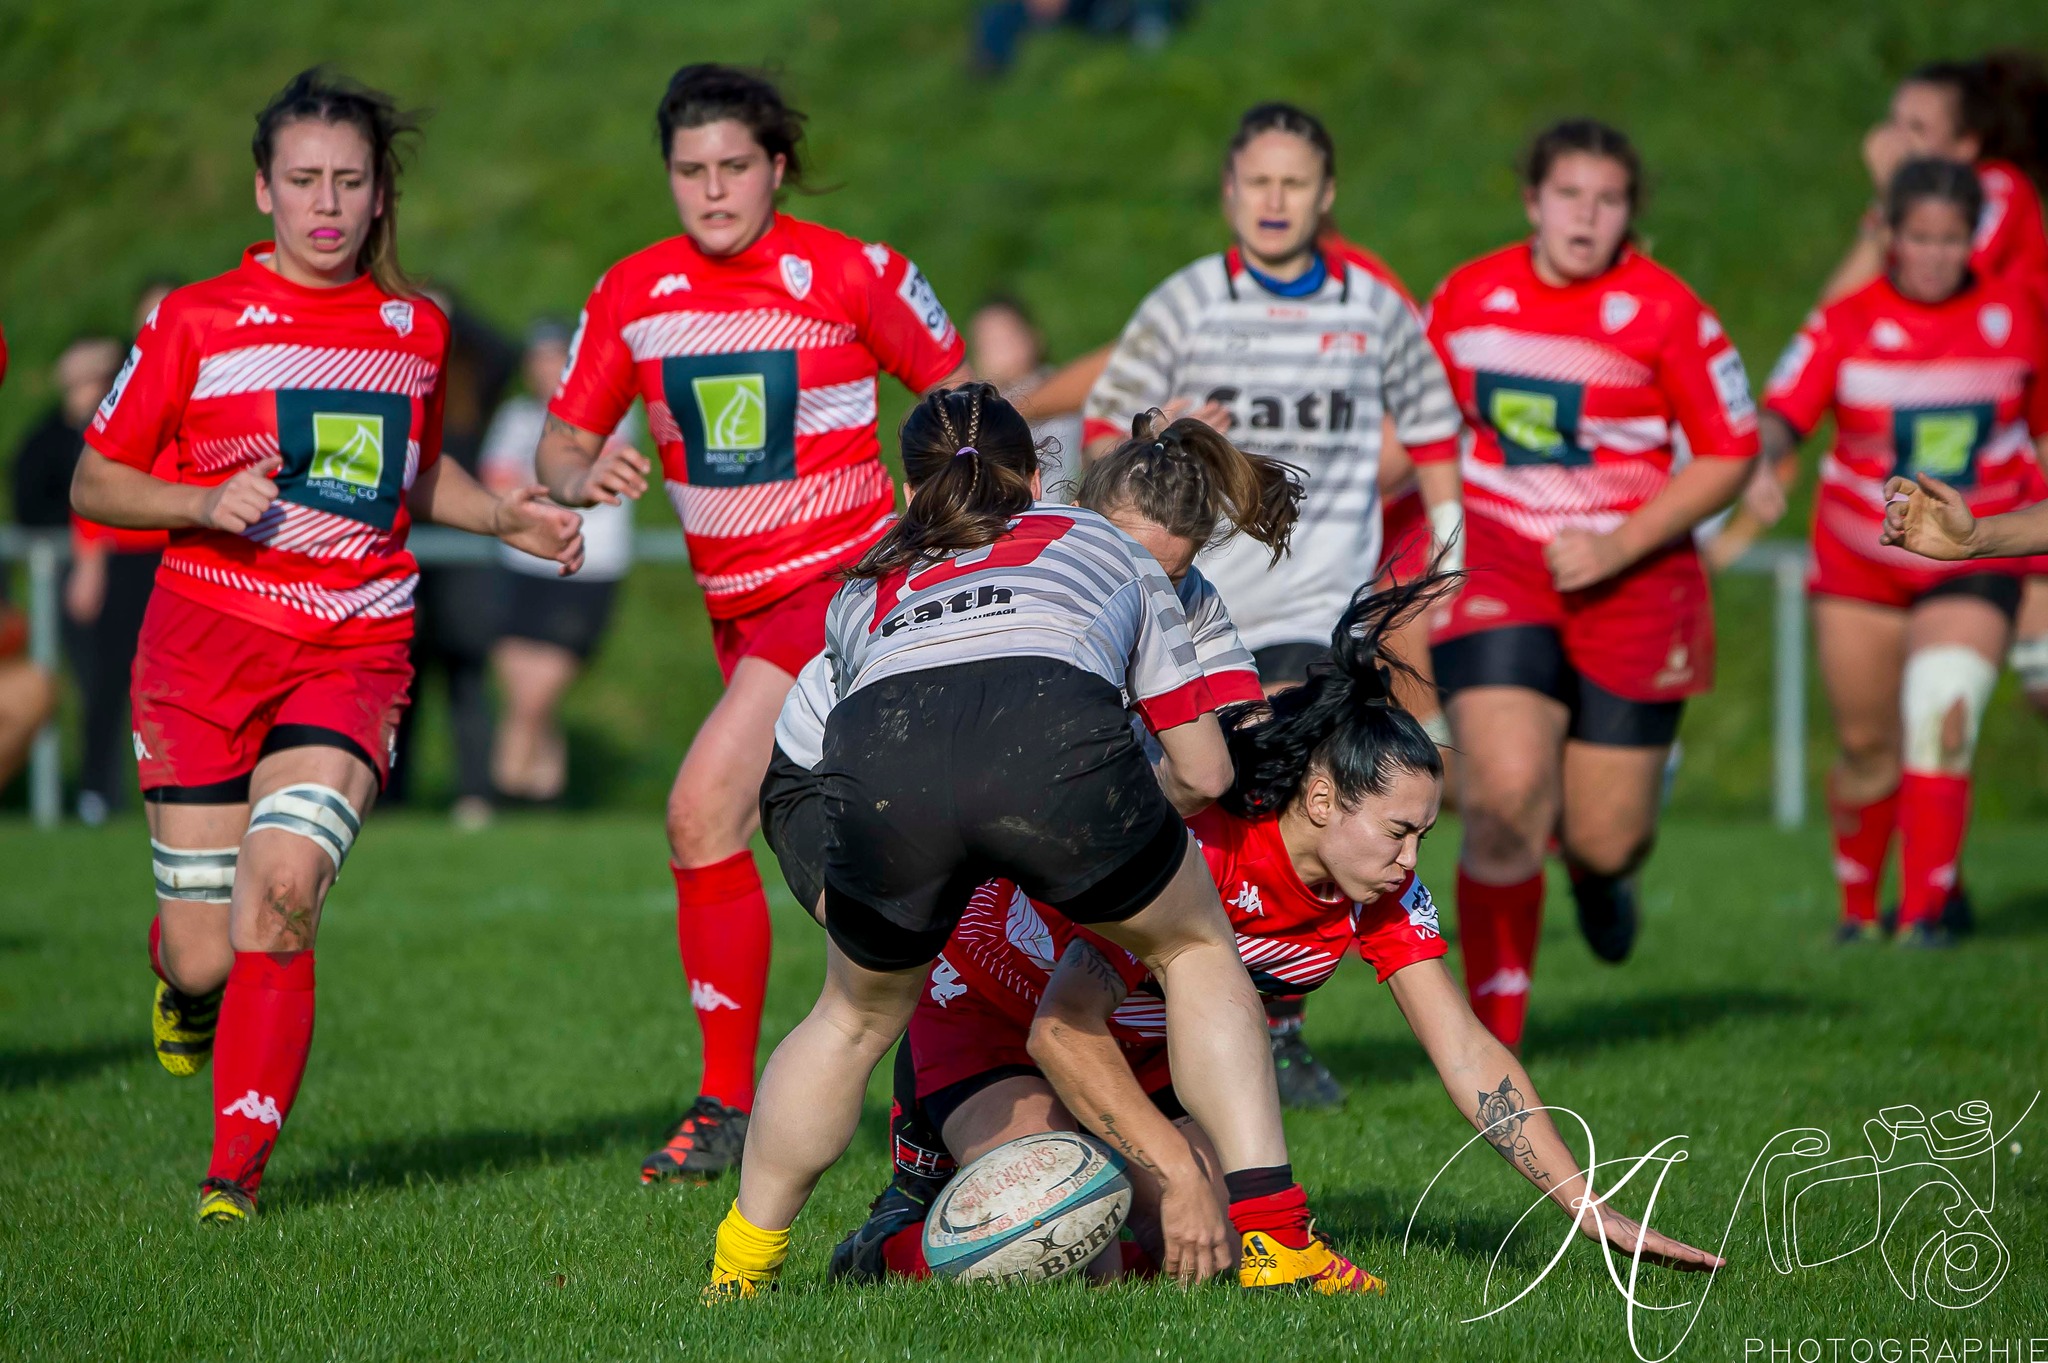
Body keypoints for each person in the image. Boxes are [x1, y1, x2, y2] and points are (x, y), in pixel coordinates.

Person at [853, 578, 1726, 1285]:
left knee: (1201, 1251)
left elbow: (1464, 1049)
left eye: (1423, 832)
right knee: (1066, 1231)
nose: (1411, 858)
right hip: (998, 1022)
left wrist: (1583, 1201)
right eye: (1398, 831)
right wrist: (1182, 1171)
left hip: (1144, 1061)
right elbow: (1063, 1027)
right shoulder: (1200, 852)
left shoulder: (1373, 887)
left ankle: (1046, 1184)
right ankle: (891, 1237)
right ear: (1320, 800)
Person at [68, 68, 582, 1224]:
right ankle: (185, 985)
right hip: (201, 650)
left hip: (352, 648)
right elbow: (96, 476)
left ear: (380, 195)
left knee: (285, 886)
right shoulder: (195, 319)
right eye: (303, 180)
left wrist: (504, 514)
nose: (327, 204)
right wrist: (201, 503)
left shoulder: (416, 327)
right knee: (205, 953)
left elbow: (411, 471)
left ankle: (231, 1181)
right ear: (263, 189)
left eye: (350, 182)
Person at [706, 384, 1300, 1298]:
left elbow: (807, 770)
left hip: (874, 773)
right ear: (1038, 478)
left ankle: (738, 1270)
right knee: (1192, 945)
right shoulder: (1101, 541)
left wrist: (857, 904)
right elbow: (1209, 774)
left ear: (911, 493)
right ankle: (1278, 1241)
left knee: (850, 1017)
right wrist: (1116, 835)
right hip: (1048, 753)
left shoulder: (867, 581)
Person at [537, 64, 969, 1183]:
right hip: (734, 611)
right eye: (690, 171)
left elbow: (958, 404)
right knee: (862, 840)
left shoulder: (849, 272)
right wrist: (582, 469)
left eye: (735, 167)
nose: (713, 190)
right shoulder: (632, 292)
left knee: (699, 810)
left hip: (846, 590)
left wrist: (945, 527)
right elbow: (558, 443)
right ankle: (943, 1066)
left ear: (777, 167)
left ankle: (729, 1104)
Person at [1424, 119, 1760, 1049]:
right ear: (1534, 201)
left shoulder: (1666, 311)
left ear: (1630, 214)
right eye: (1570, 195)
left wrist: (1618, 545)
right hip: (1498, 557)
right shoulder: (1468, 294)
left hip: (1636, 575)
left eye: (1608, 200)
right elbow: (1415, 426)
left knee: (1608, 834)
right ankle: (1495, 1049)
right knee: (1502, 795)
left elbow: (1731, 452)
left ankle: (1600, 872)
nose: (1588, 215)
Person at [1758, 161, 2048, 947]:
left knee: (1940, 712)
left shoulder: (2020, 315)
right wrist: (1762, 468)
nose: (1932, 254)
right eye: (1917, 236)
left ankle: (1925, 920)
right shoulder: (1845, 322)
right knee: (1866, 747)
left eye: (1950, 239)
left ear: (1973, 239)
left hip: (1977, 553)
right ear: (1888, 233)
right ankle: (1859, 911)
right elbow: (1782, 414)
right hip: (1860, 560)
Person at [1084, 102, 1464, 692]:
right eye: (1260, 182)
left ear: (1327, 193)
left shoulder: (1373, 306)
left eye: (1295, 184)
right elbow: (1099, 444)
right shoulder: (1183, 303)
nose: (1275, 201)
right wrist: (1153, 435)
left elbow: (1433, 426)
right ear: (1231, 190)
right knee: (1205, 780)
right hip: (1191, 606)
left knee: (1292, 758)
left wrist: (1448, 551)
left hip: (1320, 610)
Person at [480, 319, 638, 803]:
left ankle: (502, 792)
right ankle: (546, 797)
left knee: (533, 697)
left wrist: (543, 491)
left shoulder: (609, 412)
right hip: (522, 566)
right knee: (521, 690)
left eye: (553, 358)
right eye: (536, 360)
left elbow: (579, 475)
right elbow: (497, 484)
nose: (543, 370)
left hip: (587, 568)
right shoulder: (515, 417)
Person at [390, 289, 521, 827]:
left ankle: (475, 792)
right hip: (406, 549)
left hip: (464, 553)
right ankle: (392, 792)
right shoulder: (394, 378)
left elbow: (507, 351)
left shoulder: (472, 383)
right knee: (402, 677)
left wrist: (451, 307)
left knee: (466, 674)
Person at [966, 295, 1082, 462]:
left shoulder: (1060, 386)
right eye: (990, 343)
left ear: (1033, 337)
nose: (1001, 351)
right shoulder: (974, 404)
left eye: (1008, 337)